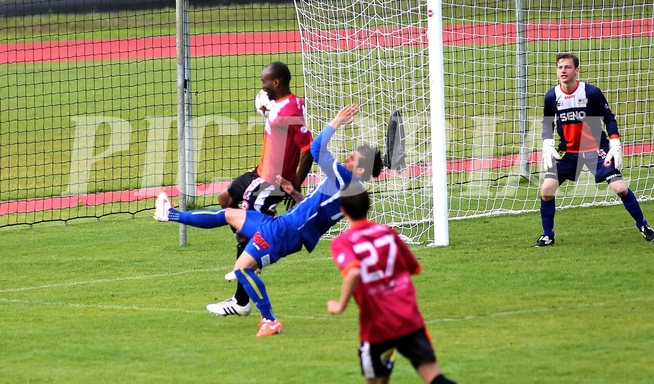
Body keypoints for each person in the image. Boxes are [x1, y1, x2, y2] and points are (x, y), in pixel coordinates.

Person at [154, 104, 383, 336]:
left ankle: (269, 319)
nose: (348, 157)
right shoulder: (354, 190)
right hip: (284, 227)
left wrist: (336, 121)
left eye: (354, 158)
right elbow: (317, 212)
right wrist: (293, 193)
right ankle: (170, 214)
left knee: (241, 269)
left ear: (361, 170)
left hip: (285, 232)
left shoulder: (346, 179)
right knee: (228, 215)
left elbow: (316, 149)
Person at [328, 182, 457, 384]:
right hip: (408, 317)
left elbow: (353, 272)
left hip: (378, 326)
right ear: (369, 206)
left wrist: (339, 305)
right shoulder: (387, 233)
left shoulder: (343, 242)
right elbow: (413, 268)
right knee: (434, 376)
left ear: (343, 211)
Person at [217, 61, 314, 316]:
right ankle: (249, 250)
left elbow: (308, 149)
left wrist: (295, 185)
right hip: (260, 172)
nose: (262, 85)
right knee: (226, 199)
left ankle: (241, 301)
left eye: (265, 81)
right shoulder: (283, 104)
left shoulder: (289, 111)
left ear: (277, 82)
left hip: (272, 181)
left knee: (250, 230)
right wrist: (267, 107)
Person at [536, 53, 654, 247]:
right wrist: (547, 144)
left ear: (576, 70)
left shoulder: (591, 93)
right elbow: (547, 123)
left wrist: (615, 143)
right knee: (547, 189)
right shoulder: (552, 96)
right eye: (560, 67)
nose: (563, 71)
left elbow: (608, 118)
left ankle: (644, 226)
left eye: (568, 67)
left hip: (596, 149)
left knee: (620, 188)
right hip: (568, 151)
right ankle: (547, 235)